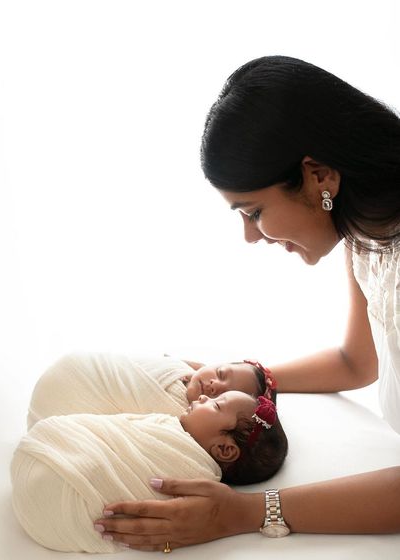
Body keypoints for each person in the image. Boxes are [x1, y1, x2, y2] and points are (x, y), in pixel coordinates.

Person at [93, 55, 400, 549]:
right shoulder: (370, 233)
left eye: (253, 212)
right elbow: (356, 362)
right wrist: (255, 376)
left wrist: (248, 512)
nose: (250, 237)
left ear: (319, 176)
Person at [11, 391, 287, 552]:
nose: (203, 395)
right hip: (51, 461)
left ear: (224, 450)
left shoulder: (196, 477)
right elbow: (117, 430)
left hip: (55, 485)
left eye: (215, 405)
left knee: (83, 467)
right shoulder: (166, 424)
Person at [27, 352, 275, 429]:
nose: (213, 386)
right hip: (74, 374)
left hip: (59, 407)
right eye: (220, 373)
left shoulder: (191, 420)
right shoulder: (176, 367)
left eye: (222, 396)